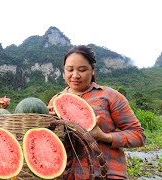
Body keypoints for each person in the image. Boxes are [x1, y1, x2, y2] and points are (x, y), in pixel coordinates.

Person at [48, 45, 146, 179]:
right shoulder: (55, 100)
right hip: (67, 175)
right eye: (70, 69)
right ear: (64, 70)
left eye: (82, 70)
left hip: (107, 173)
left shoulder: (110, 96)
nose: (75, 75)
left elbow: (139, 135)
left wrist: (103, 136)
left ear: (93, 70)